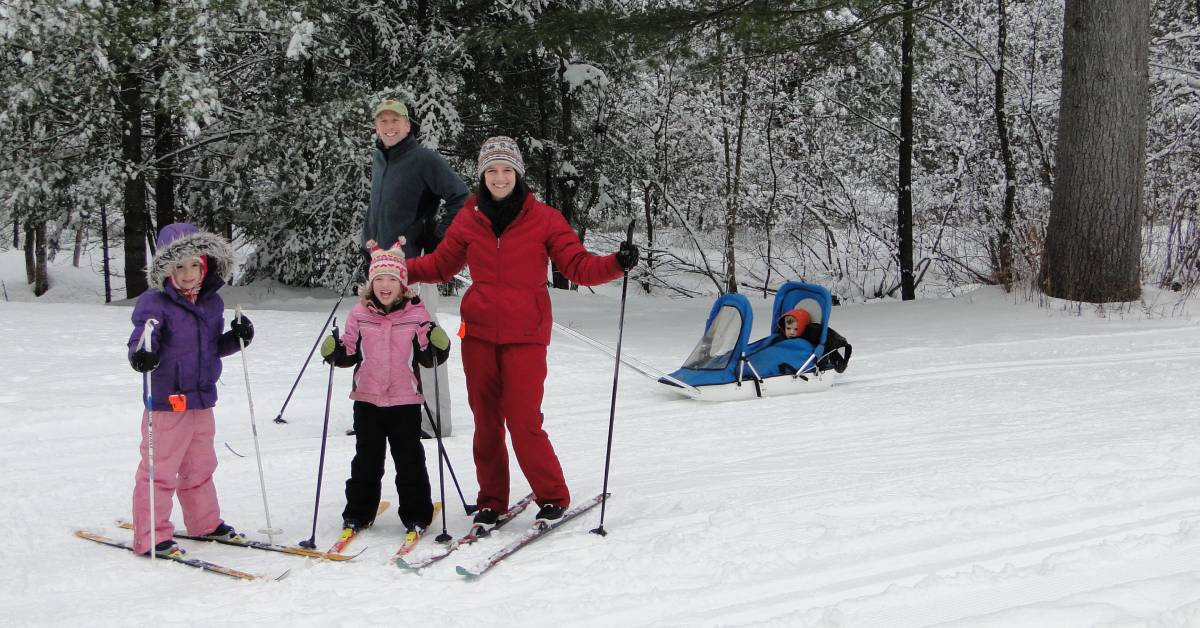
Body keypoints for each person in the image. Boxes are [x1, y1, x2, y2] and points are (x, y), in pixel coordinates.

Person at [406, 135, 639, 524]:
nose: (499, 177)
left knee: (523, 420)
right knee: (486, 423)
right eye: (492, 170)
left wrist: (616, 262)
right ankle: (491, 500)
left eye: (506, 170)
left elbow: (578, 266)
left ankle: (552, 494)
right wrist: (398, 267)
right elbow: (441, 267)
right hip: (478, 334)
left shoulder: (545, 218)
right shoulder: (470, 216)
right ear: (483, 175)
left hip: (526, 335)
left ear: (518, 173)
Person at [127, 223, 254, 557]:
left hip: (201, 398)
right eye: (179, 266)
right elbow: (142, 338)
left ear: (206, 265)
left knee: (201, 466)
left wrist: (238, 338)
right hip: (167, 402)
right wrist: (142, 354)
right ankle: (151, 535)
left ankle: (205, 522)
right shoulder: (154, 303)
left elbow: (210, 347)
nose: (187, 274)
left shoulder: (212, 304)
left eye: (194, 265)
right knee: (161, 470)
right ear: (166, 268)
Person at [320, 240, 451, 534]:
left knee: (410, 460)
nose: (385, 285)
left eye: (392, 279)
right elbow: (349, 350)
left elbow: (429, 354)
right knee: (366, 461)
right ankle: (358, 512)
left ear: (403, 283)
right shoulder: (360, 313)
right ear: (371, 282)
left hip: (405, 401)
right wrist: (336, 351)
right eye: (379, 279)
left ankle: (417, 513)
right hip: (367, 400)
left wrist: (439, 346)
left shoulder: (417, 314)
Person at [362, 98, 468, 438]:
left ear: (408, 125)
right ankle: (387, 414)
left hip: (415, 268)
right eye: (383, 120)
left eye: (396, 120)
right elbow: (376, 209)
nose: (389, 126)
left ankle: (435, 421)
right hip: (381, 268)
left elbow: (460, 198)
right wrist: (367, 243)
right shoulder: (381, 158)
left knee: (426, 339)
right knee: (381, 341)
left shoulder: (424, 159)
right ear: (376, 126)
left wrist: (437, 238)